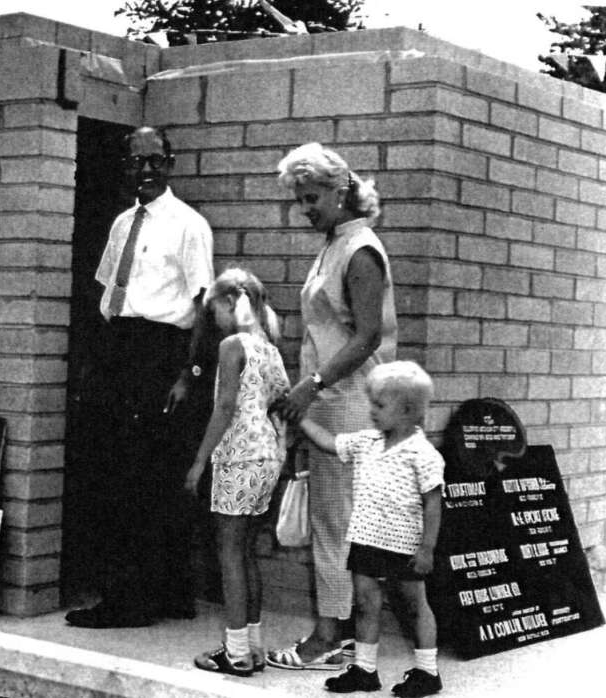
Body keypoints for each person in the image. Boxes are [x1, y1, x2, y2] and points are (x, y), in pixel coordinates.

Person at [65, 126, 214, 628]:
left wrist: (187, 375)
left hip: (161, 354)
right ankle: (162, 594)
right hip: (120, 350)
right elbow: (107, 292)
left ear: (170, 163)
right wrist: (99, 358)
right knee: (116, 470)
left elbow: (203, 306)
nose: (145, 171)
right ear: (126, 167)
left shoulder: (189, 225)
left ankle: (131, 602)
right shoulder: (122, 223)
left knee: (143, 478)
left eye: (155, 161)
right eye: (136, 162)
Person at [268, 142, 398, 670]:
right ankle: (338, 631)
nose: (305, 208)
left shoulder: (360, 248)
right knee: (332, 521)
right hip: (327, 401)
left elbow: (366, 336)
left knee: (337, 523)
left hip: (348, 402)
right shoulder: (334, 243)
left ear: (342, 190)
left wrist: (311, 385)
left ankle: (330, 637)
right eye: (300, 199)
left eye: (313, 197)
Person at [294, 361, 444, 697]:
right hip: (365, 538)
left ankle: (427, 671)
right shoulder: (366, 442)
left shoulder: (423, 454)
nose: (371, 411)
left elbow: (434, 503)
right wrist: (301, 420)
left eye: (379, 405)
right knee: (365, 602)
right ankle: (364, 669)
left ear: (407, 410)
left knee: (414, 605)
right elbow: (329, 443)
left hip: (404, 543)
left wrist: (427, 549)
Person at [184, 268, 290, 676]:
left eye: (216, 312)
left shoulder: (233, 346)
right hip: (265, 456)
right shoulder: (271, 350)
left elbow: (224, 407)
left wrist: (199, 461)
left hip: (237, 456)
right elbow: (280, 403)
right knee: (246, 552)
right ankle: (255, 645)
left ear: (230, 303)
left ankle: (237, 652)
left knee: (227, 552)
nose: (215, 322)